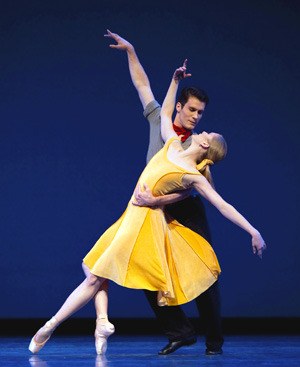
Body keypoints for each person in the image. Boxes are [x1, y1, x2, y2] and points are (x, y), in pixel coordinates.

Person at [29, 61, 266, 357]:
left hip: (147, 218)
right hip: (134, 215)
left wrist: (253, 230)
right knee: (95, 269)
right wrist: (174, 80)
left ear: (207, 145)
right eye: (193, 112)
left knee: (100, 272)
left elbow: (221, 204)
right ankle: (103, 322)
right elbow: (165, 111)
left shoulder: (194, 175)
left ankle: (51, 327)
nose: (201, 123)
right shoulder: (173, 145)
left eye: (207, 128)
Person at [104, 30, 266, 356]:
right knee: (148, 270)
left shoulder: (197, 153)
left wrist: (160, 200)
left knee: (204, 271)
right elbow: (143, 86)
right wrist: (133, 51)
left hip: (183, 207)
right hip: (153, 208)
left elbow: (205, 196)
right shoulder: (164, 127)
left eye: (201, 114)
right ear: (180, 106)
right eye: (192, 111)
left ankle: (214, 341)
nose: (196, 117)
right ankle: (179, 331)